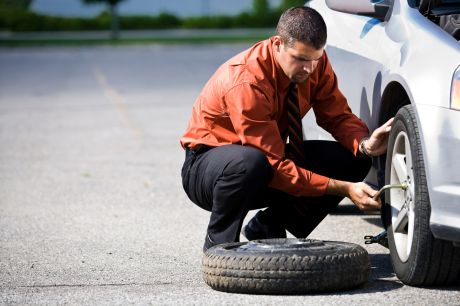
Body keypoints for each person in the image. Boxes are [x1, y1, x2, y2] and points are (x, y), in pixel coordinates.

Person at [180, 6, 393, 251]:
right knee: (250, 162)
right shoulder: (248, 81)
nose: (309, 69)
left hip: (265, 160)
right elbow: (272, 164)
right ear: (278, 44)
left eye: (315, 59)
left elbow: (337, 117)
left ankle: (269, 225)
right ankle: (218, 245)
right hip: (210, 169)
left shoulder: (315, 64)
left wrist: (365, 144)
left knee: (353, 158)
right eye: (301, 59)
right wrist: (342, 188)